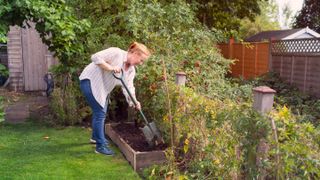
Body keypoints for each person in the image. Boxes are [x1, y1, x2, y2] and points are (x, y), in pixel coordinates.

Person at [79, 42, 151, 155]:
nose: (141, 63)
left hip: (103, 89)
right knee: (100, 113)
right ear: (135, 53)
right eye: (141, 60)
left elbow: (129, 87)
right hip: (90, 81)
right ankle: (100, 146)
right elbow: (95, 57)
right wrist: (111, 67)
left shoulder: (131, 70)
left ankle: (95, 137)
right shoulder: (116, 53)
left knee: (100, 112)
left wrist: (134, 101)